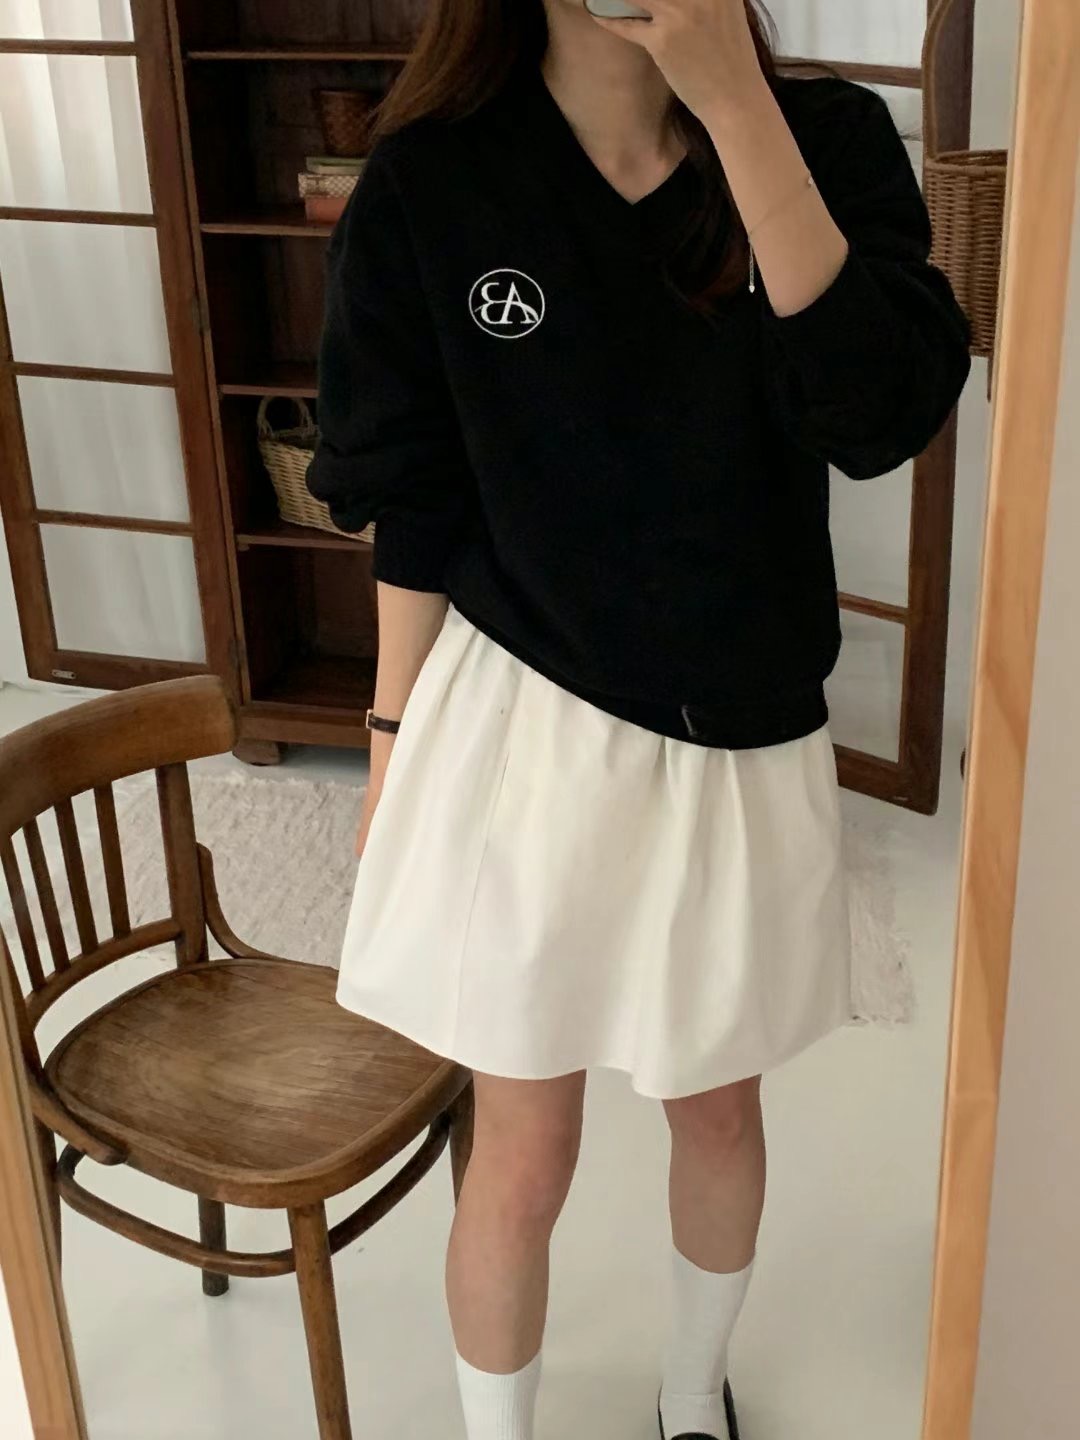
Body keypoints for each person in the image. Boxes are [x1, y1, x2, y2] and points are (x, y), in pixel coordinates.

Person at [307, 2, 971, 1437]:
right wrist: (391, 736)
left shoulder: (826, 140)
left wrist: (735, 107)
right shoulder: (434, 177)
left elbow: (877, 414)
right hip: (525, 719)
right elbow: (412, 491)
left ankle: (691, 1396)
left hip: (744, 725)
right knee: (525, 1143)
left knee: (717, 1109)